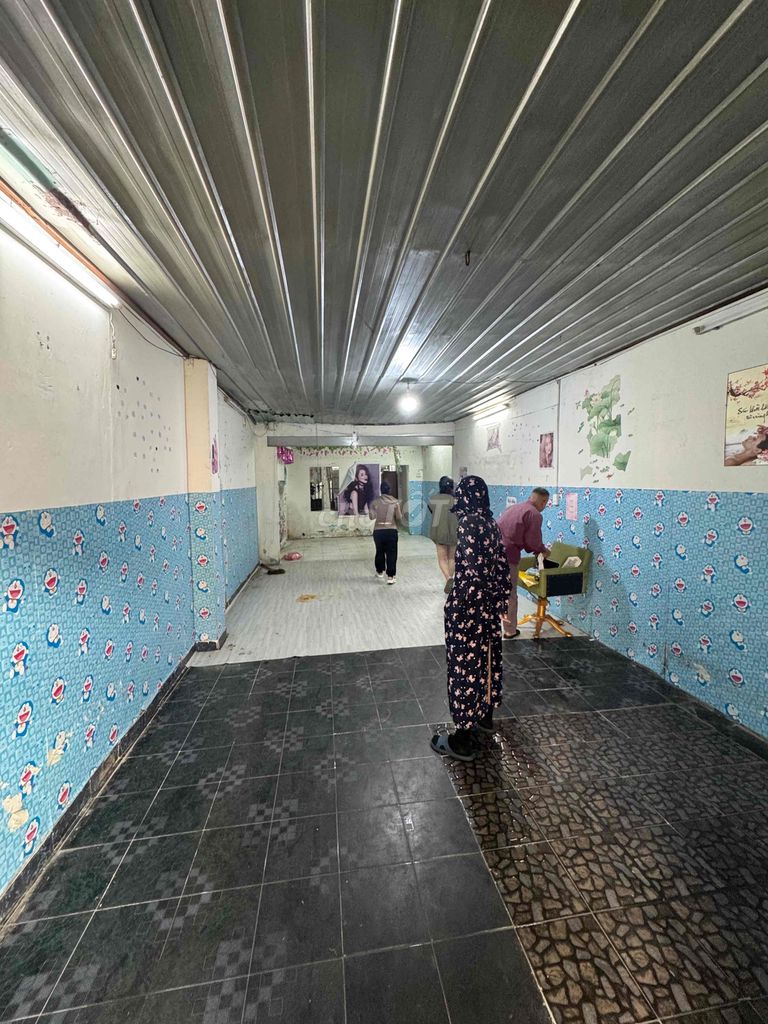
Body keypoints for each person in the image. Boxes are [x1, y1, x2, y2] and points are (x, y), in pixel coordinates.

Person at [430, 476, 510, 762]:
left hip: (468, 614)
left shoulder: (468, 524)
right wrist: (499, 602)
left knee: (464, 669)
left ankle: (462, 741)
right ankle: (484, 718)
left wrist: (457, 605)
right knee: (487, 662)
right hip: (487, 613)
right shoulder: (491, 524)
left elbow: (473, 574)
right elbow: (502, 569)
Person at [497, 487, 550, 639]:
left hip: (492, 552)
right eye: (545, 503)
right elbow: (533, 542)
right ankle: (510, 630)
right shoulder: (534, 514)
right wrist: (543, 551)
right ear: (543, 501)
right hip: (508, 555)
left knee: (495, 592)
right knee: (510, 594)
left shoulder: (513, 508)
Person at [428, 476, 458, 593]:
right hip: (454, 532)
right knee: (452, 558)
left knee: (442, 559)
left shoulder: (433, 499)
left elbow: (432, 511)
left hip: (439, 531)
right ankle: (449, 582)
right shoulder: (457, 500)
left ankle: (449, 579)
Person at [368, 481, 402, 584]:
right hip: (391, 531)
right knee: (391, 553)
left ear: (381, 490)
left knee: (380, 551)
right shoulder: (395, 502)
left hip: (378, 531)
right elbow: (399, 517)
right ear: (389, 490)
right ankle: (391, 577)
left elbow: (371, 517)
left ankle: (380, 572)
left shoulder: (375, 502)